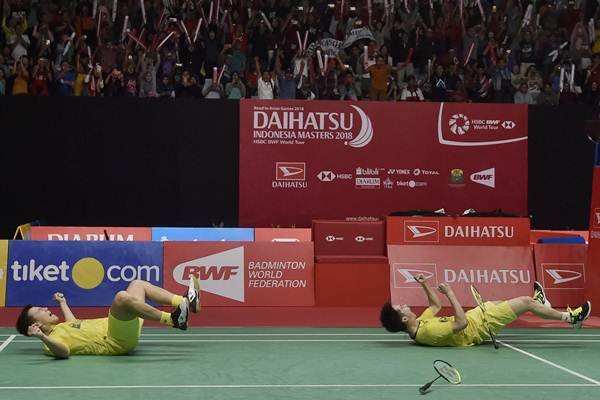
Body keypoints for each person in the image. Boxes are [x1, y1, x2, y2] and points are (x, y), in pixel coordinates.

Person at [380, 274, 591, 347]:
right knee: (525, 302)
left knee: (505, 302)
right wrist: (451, 293)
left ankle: (540, 302)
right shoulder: (426, 333)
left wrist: (425, 283)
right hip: (478, 326)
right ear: (405, 318)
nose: (404, 305)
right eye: (401, 308)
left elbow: (435, 306)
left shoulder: (419, 325)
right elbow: (460, 324)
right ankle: (571, 317)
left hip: (475, 317)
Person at [15, 277, 201, 358]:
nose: (45, 308)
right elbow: (64, 352)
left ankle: (184, 301)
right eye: (40, 310)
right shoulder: (50, 342)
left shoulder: (62, 328)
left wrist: (63, 303)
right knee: (121, 298)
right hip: (115, 340)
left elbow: (73, 322)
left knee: (137, 285)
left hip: (122, 328)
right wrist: (41, 336)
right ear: (36, 323)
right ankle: (174, 320)